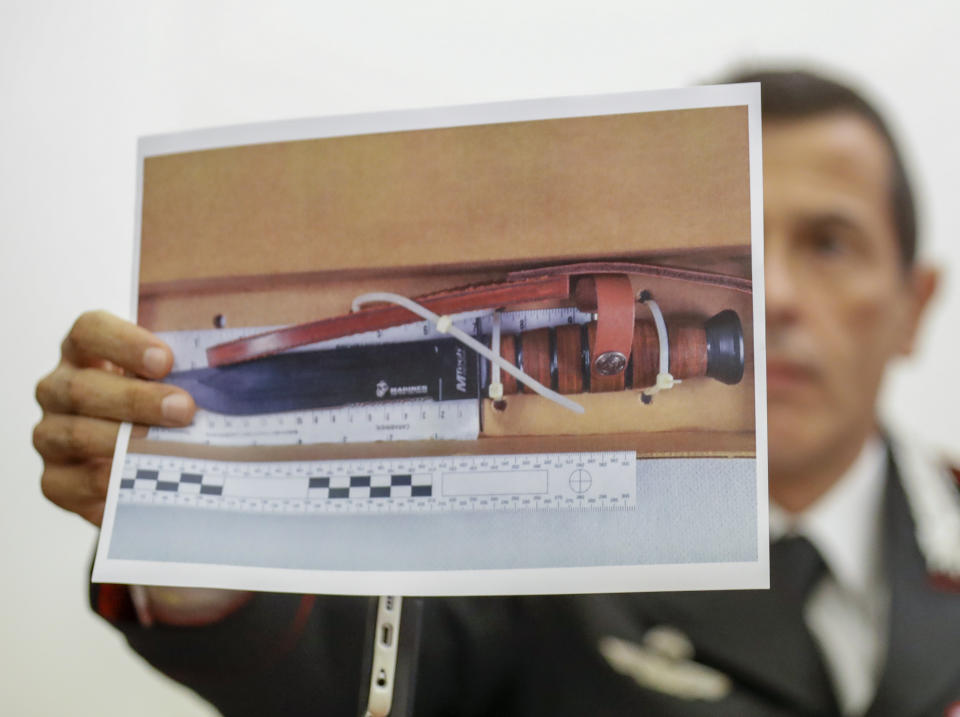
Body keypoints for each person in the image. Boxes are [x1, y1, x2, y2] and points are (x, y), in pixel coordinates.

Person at [33, 69, 960, 716]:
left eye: (830, 244)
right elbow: (358, 678)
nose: (780, 295)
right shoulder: (546, 536)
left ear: (915, 306)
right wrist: (189, 537)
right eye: (746, 246)